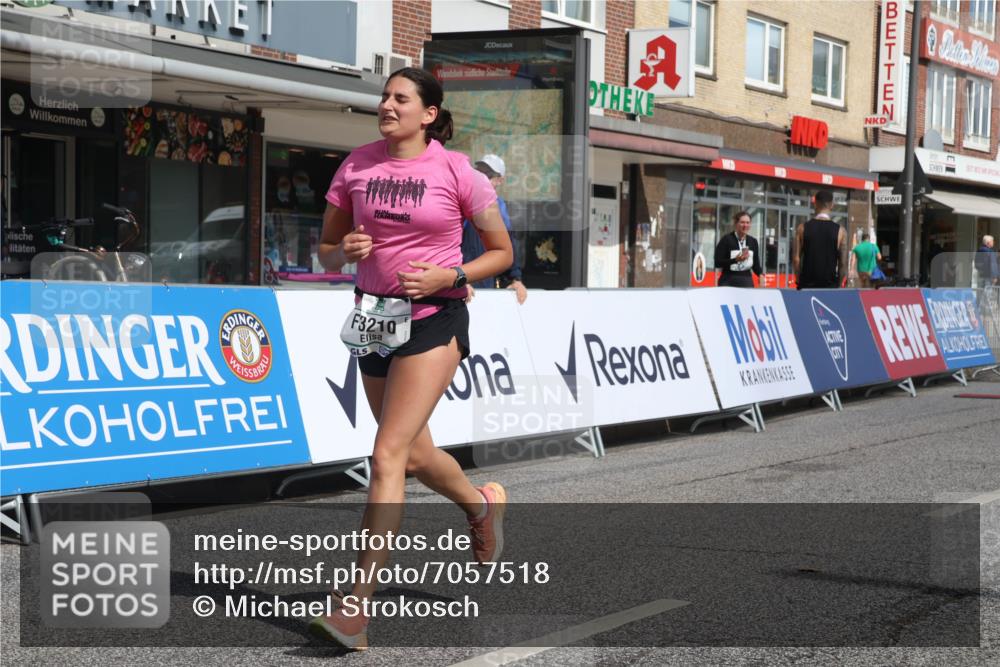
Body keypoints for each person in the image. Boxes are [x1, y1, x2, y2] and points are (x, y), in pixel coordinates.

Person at [310, 67, 513, 650]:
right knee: (417, 454)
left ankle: (355, 606)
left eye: (401, 98)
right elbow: (325, 253)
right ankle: (481, 505)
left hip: (436, 319)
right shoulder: (357, 165)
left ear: (428, 114)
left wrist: (451, 273)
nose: (387, 104)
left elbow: (500, 253)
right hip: (374, 318)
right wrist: (341, 250)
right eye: (384, 96)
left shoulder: (457, 171)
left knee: (387, 453)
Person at [461, 154, 528, 303]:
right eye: (479, 172)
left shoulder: (503, 210)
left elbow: (509, 250)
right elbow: (449, 246)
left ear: (500, 180)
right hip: (460, 289)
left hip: (487, 291)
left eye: (488, 175)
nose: (483, 178)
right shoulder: (461, 202)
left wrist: (515, 280)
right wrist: (458, 280)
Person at [793, 189, 847, 289]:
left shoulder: (802, 228)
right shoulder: (840, 231)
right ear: (832, 205)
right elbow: (843, 263)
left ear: (815, 204)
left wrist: (799, 281)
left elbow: (796, 259)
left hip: (806, 286)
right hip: (829, 287)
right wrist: (838, 284)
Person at [713, 210, 763, 288]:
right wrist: (735, 260)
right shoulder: (726, 239)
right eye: (742, 222)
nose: (745, 225)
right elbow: (717, 262)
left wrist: (760, 274)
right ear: (736, 224)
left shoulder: (753, 241)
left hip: (746, 281)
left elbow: (756, 264)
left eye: (748, 222)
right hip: (728, 281)